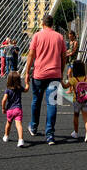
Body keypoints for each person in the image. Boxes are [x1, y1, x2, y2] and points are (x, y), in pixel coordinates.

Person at [23, 13, 67, 144]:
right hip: (55, 75)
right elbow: (64, 57)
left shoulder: (37, 36)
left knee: (36, 100)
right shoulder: (60, 37)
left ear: (42, 23)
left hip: (39, 74)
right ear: (52, 24)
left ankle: (34, 126)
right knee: (52, 103)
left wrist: (26, 73)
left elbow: (31, 55)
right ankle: (50, 135)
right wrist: (61, 71)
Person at [66, 59, 87, 141]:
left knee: (76, 116)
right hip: (85, 100)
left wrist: (60, 80)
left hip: (77, 101)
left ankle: (76, 133)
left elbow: (65, 86)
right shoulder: (86, 79)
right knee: (86, 117)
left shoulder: (74, 79)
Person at [1, 71, 26, 148]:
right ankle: (21, 140)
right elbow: (26, 89)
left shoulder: (7, 89)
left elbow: (4, 100)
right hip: (18, 109)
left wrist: (3, 108)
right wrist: (27, 83)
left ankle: (6, 136)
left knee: (8, 124)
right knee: (19, 125)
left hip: (10, 110)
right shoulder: (19, 88)